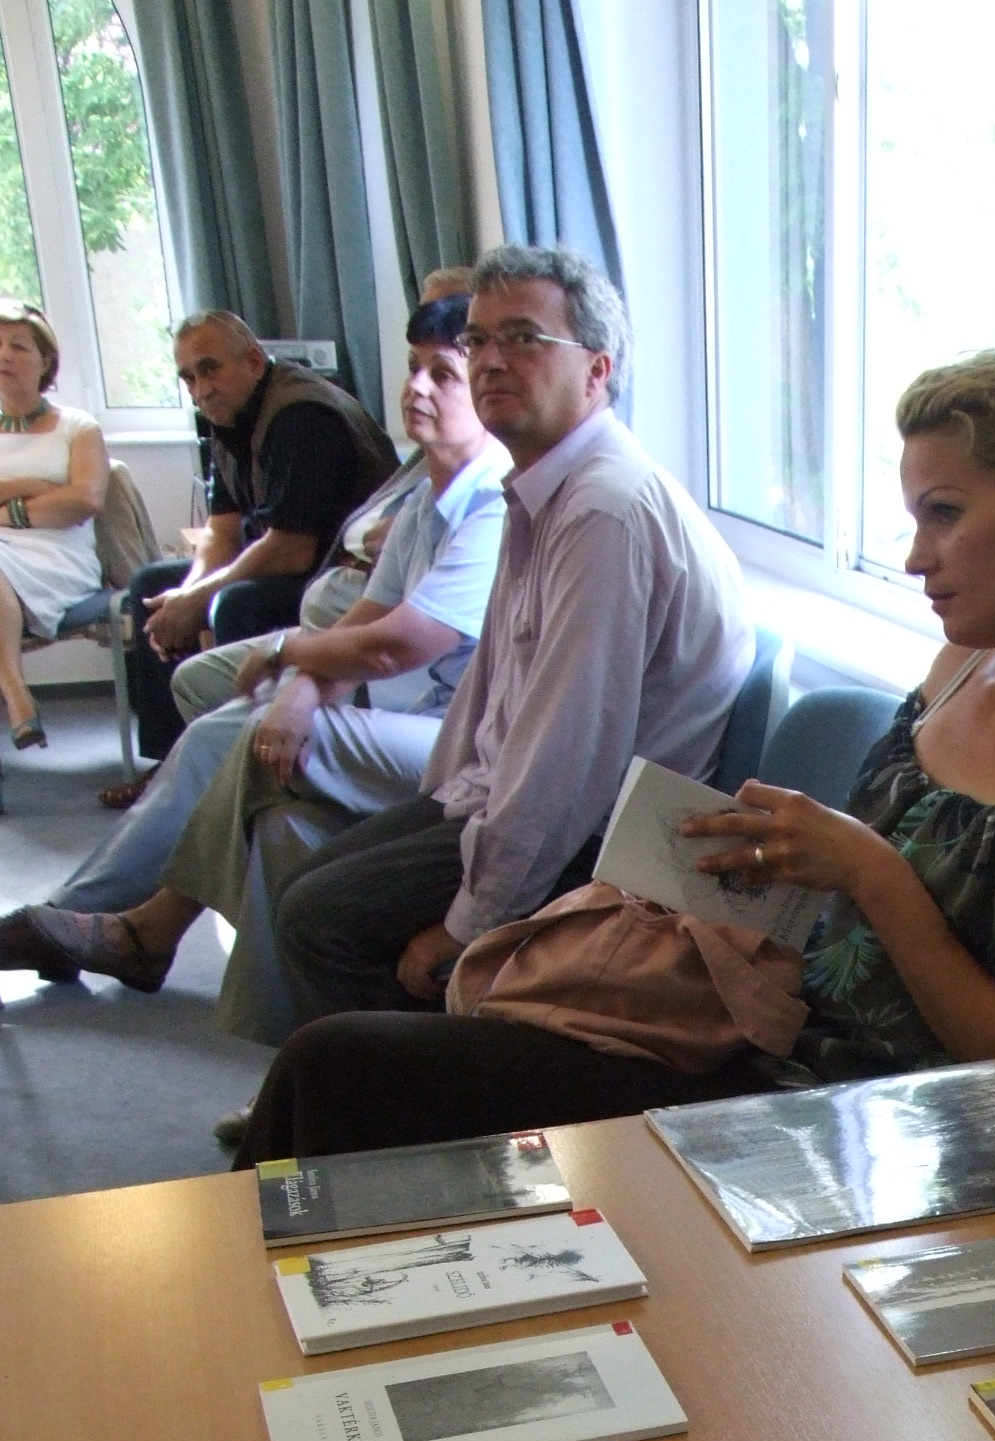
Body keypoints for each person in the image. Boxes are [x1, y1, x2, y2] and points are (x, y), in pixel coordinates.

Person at [233, 344, 995, 1161]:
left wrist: (867, 871)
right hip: (756, 1039)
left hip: (859, 1126)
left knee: (348, 1078)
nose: (916, 558)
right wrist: (764, 858)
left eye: (945, 514)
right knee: (337, 1068)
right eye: (914, 520)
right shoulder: (960, 667)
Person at [254, 241, 753, 1035]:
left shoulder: (603, 512)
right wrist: (437, 807)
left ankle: (417, 1098)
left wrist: (468, 925)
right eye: (479, 339)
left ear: (597, 369)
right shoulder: (543, 486)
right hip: (517, 799)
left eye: (523, 338)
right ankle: (356, 1082)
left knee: (318, 920)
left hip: (603, 847)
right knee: (305, 885)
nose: (489, 360)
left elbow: (569, 758)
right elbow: (492, 698)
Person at [0, 295, 509, 1043]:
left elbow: (395, 644)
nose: (416, 388)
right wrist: (301, 687)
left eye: (443, 374)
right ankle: (284, 1043)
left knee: (244, 737)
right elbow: (363, 616)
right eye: (412, 369)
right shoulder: (432, 494)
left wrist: (285, 656)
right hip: (406, 708)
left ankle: (142, 929)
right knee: (268, 800)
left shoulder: (493, 500)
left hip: (464, 739)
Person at [115, 310, 395, 780]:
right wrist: (186, 593)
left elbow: (291, 549)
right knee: (150, 585)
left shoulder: (300, 415)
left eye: (210, 369)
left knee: (234, 602)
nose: (201, 389)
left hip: (340, 571)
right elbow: (221, 530)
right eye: (188, 377)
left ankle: (245, 762)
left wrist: (200, 600)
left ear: (253, 362)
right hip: (291, 558)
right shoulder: (228, 415)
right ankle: (172, 764)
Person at [0, 300, 107, 751]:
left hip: (59, 557)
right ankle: (16, 693)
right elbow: (62, 498)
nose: (4, 355)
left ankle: (14, 696)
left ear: (45, 361)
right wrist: (31, 485)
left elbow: (84, 501)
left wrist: (6, 509)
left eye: (18, 346)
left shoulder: (78, 427)